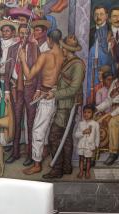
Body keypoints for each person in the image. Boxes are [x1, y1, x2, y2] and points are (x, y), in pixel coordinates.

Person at [19, 29, 64, 175]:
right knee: (51, 131)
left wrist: (22, 59)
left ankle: (37, 164)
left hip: (47, 96)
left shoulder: (46, 55)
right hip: (60, 97)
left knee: (38, 131)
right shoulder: (65, 55)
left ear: (50, 40)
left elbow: (29, 75)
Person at [43, 34, 85, 179]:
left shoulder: (77, 64)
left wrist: (55, 94)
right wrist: (55, 90)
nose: (62, 49)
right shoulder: (68, 62)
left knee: (54, 136)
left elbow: (73, 89)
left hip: (68, 106)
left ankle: (57, 169)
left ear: (66, 49)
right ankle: (66, 167)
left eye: (63, 47)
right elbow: (64, 83)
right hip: (64, 104)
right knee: (66, 138)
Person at [4, 23, 40, 166]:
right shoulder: (13, 49)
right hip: (15, 89)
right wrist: (6, 90)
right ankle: (15, 152)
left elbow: (39, 71)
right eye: (21, 33)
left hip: (30, 88)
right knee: (16, 121)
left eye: (26, 33)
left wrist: (38, 89)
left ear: (29, 35)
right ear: (18, 34)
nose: (23, 36)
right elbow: (7, 71)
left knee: (30, 122)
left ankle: (30, 154)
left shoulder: (34, 48)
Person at [75, 104, 100, 179]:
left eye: (89, 112)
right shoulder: (80, 123)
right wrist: (83, 132)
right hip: (81, 145)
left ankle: (88, 172)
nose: (86, 114)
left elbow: (97, 136)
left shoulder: (95, 124)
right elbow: (76, 134)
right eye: (85, 112)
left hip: (90, 146)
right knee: (81, 159)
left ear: (92, 113)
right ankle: (81, 171)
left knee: (88, 160)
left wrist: (96, 145)